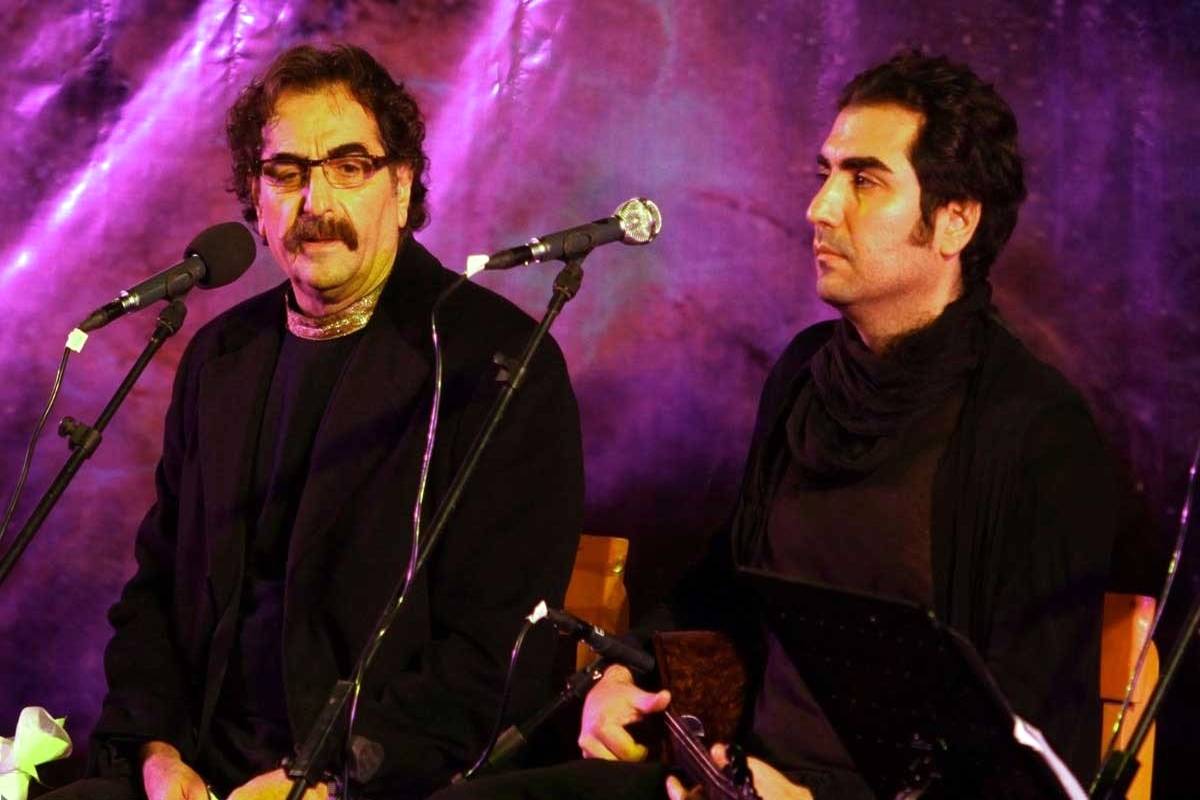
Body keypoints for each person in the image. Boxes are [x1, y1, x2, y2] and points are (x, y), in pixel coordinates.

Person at [431, 50, 1124, 800]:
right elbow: (725, 588)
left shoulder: (1036, 433)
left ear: (955, 220)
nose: (821, 208)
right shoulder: (806, 374)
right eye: (826, 174)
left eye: (864, 180)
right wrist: (623, 674)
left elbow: (1032, 761)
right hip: (732, 777)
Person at [43, 43, 584, 800]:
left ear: (402, 185)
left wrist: (321, 786)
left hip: (378, 783)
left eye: (350, 166)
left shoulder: (495, 363)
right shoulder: (220, 357)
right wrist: (157, 754)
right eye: (287, 172)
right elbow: (156, 592)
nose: (315, 201)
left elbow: (497, 651)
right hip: (193, 773)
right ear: (255, 198)